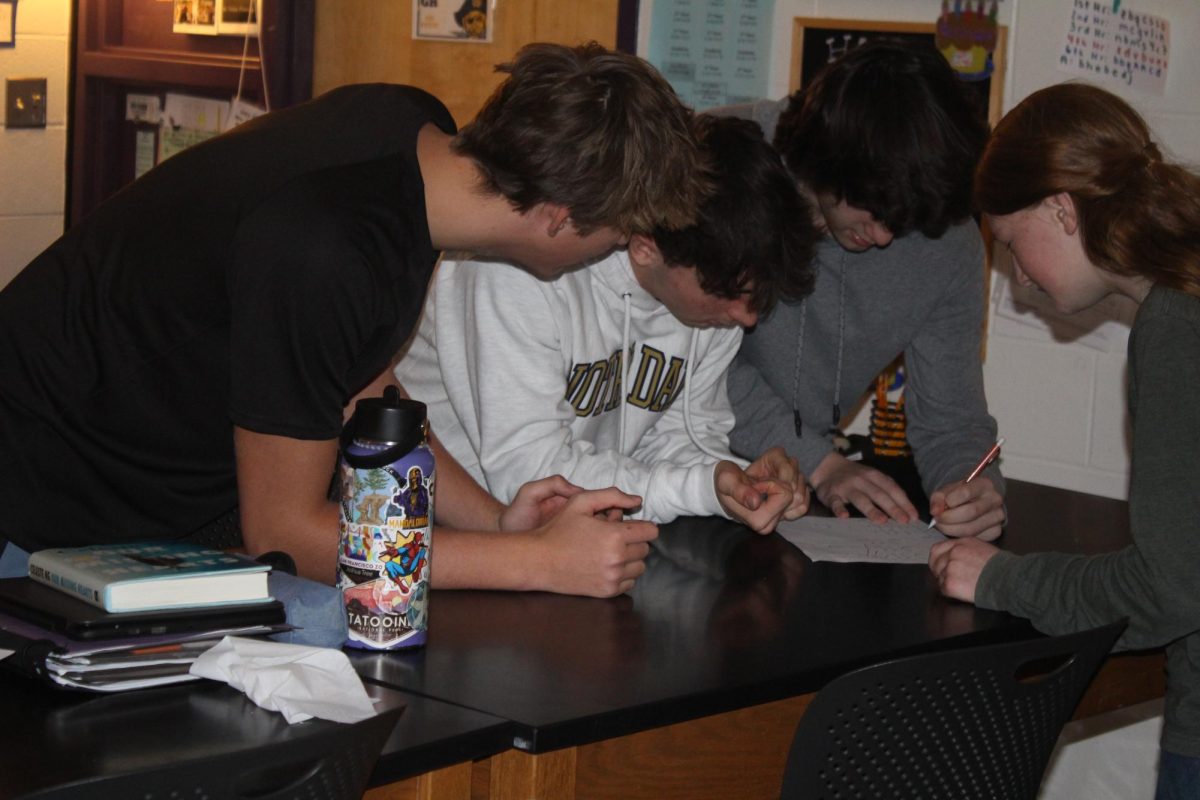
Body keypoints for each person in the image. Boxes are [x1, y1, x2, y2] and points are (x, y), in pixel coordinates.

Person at [0, 42, 709, 592]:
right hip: (41, 490)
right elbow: (286, 536)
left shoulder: (413, 135)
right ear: (559, 218)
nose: (618, 247)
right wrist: (533, 561)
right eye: (618, 230)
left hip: (140, 486)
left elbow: (361, 385)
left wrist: (495, 519)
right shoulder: (325, 246)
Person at [929, 82, 1200, 799]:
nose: (1018, 280)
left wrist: (1000, 577)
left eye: (1014, 246)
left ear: (1062, 208)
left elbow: (1170, 590)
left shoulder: (1178, 324)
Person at [397, 115, 818, 554]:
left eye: (758, 296)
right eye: (727, 294)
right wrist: (699, 486)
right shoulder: (516, 265)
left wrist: (738, 481)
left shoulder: (712, 306)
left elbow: (681, 441)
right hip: (426, 531)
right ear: (644, 247)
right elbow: (531, 476)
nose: (746, 318)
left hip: (566, 536)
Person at [719, 39, 1006, 539]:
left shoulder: (945, 239)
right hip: (670, 462)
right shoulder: (726, 166)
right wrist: (821, 464)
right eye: (874, 213)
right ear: (829, 161)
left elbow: (951, 419)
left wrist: (972, 487)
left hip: (792, 490)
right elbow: (695, 371)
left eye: (905, 221)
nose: (885, 237)